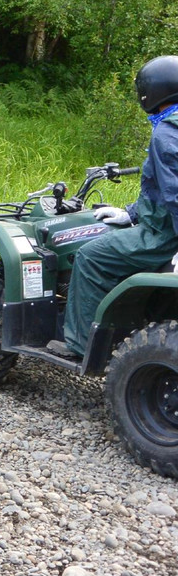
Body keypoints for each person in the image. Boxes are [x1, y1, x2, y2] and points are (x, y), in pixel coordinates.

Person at [48, 55, 178, 359]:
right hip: (162, 225)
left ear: (154, 93)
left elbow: (175, 195)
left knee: (90, 256)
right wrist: (130, 213)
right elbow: (161, 191)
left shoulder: (167, 133)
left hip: (162, 236)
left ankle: (79, 344)